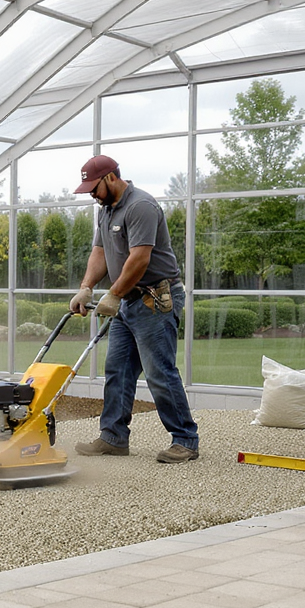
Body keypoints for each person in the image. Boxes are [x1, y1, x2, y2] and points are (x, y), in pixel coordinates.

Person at [67, 154, 200, 464]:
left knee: (159, 372)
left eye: (93, 186)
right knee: (118, 370)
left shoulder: (141, 206)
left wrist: (113, 294)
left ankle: (185, 439)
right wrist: (86, 287)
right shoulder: (105, 210)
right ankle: (113, 437)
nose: (91, 193)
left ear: (111, 178)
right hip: (127, 301)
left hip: (155, 299)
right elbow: (99, 252)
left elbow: (139, 259)